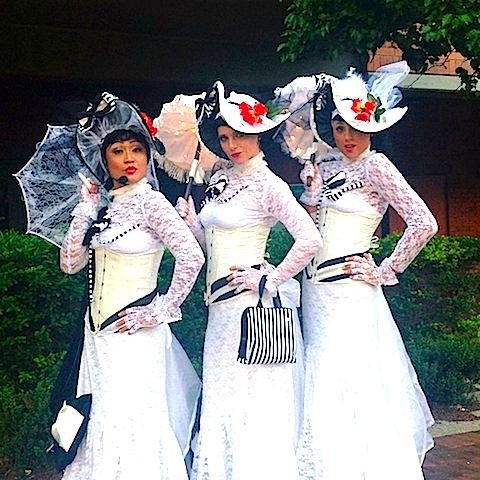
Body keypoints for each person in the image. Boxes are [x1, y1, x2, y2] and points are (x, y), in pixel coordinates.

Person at [274, 61, 438, 480]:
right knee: (324, 374)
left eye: (354, 128)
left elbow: (424, 222)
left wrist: (385, 269)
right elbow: (312, 229)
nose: (347, 137)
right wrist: (311, 194)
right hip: (316, 290)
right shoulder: (326, 167)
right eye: (339, 127)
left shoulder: (376, 166)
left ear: (371, 127)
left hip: (351, 292)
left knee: (354, 376)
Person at [53, 92, 204, 479]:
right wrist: (84, 212)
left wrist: (158, 311)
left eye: (136, 149)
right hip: (97, 336)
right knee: (102, 413)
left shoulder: (153, 203)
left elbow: (192, 257)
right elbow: (70, 265)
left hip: (135, 335)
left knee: (133, 416)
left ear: (148, 156)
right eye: (118, 151)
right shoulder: (104, 208)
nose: (129, 158)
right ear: (105, 160)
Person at [176, 81, 322, 480]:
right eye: (224, 137)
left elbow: (310, 239)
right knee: (222, 393)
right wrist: (191, 224)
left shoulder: (268, 184)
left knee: (250, 398)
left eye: (239, 135)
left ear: (258, 134)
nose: (231, 145)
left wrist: (268, 279)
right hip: (218, 309)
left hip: (248, 308)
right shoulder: (220, 180)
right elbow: (208, 245)